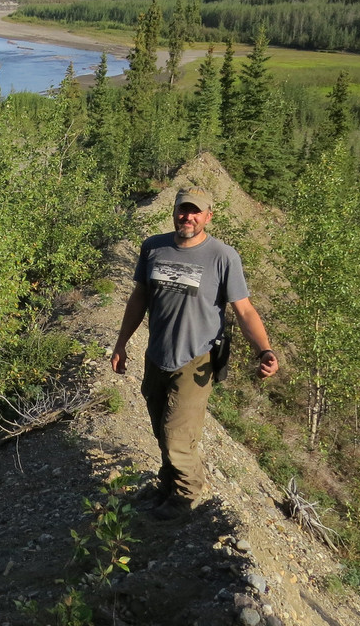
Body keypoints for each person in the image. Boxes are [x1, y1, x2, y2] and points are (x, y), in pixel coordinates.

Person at [111, 186, 279, 521]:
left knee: (177, 434)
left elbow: (244, 310)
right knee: (161, 428)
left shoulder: (222, 256)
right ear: (174, 212)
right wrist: (121, 343)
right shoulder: (153, 247)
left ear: (208, 216)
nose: (187, 217)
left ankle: (185, 498)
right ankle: (168, 485)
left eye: (195, 212)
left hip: (196, 360)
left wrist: (264, 350)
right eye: (182, 210)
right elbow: (139, 298)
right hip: (156, 355)